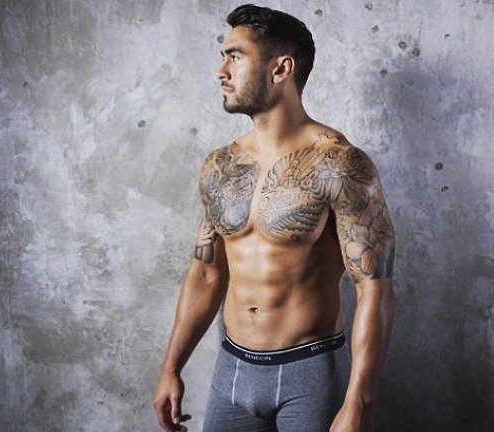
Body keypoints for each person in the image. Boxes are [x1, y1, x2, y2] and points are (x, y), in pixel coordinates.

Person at [153, 4, 396, 431]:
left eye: (235, 56)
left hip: (310, 373)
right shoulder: (221, 166)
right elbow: (206, 273)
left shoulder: (339, 164)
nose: (221, 71)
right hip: (232, 370)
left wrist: (359, 402)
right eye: (224, 57)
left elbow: (374, 287)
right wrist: (171, 367)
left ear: (281, 68)